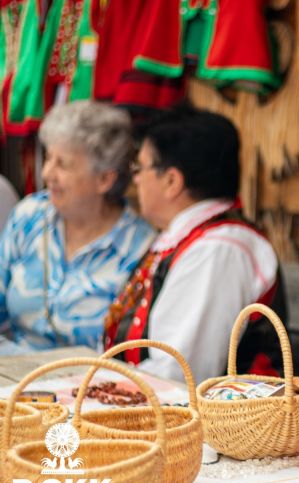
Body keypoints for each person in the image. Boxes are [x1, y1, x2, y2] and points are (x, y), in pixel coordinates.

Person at [103, 107, 286, 383]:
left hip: (209, 410)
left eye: (140, 168)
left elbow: (180, 372)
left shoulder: (218, 249)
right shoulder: (189, 237)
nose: (136, 179)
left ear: (172, 181)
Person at [0, 101, 154, 355]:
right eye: (48, 158)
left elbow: (128, 351)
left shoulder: (139, 248)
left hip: (88, 377)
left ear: (105, 179)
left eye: (63, 164)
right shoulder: (29, 217)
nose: (47, 173)